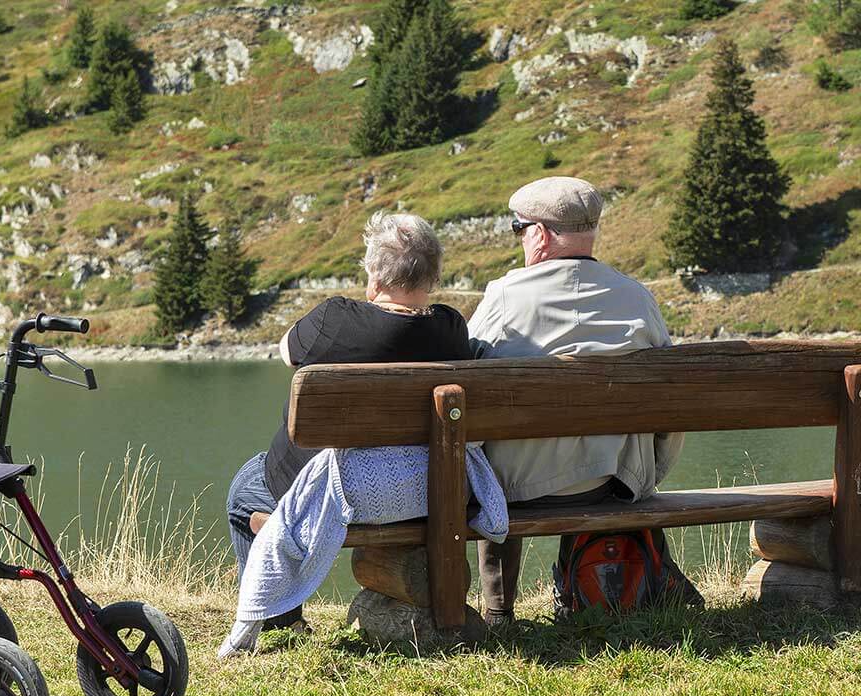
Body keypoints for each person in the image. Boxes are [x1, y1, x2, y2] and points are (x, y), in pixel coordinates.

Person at [226, 211, 473, 633]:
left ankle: (282, 621)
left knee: (245, 490)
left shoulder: (337, 319)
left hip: (341, 494)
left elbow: (287, 352)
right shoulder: (451, 328)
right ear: (432, 277)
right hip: (424, 491)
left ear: (374, 273)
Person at [468, 176, 688, 625]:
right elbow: (672, 402)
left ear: (541, 234)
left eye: (519, 229)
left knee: (490, 471)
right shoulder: (636, 298)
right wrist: (648, 476)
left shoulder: (504, 298)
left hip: (516, 492)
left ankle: (498, 611)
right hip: (614, 481)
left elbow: (466, 388)